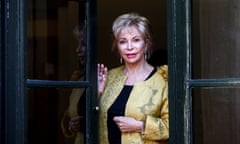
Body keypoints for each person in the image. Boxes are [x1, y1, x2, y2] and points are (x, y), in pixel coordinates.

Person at [98, 12, 169, 144]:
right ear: (116, 46)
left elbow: (174, 127)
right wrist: (98, 94)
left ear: (146, 44)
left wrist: (140, 126)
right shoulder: (109, 77)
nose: (130, 47)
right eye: (123, 42)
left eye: (136, 40)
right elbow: (92, 123)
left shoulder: (163, 80)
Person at [61, 23, 86, 144]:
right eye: (78, 44)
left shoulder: (111, 79)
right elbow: (68, 115)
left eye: (83, 45)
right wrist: (71, 125)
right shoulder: (80, 80)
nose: (78, 49)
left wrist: (87, 123)